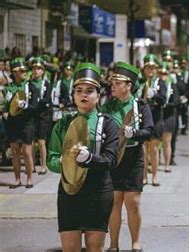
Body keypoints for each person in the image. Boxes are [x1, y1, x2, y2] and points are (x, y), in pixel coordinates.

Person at [47, 62, 119, 251]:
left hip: (98, 191)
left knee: (95, 248)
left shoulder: (108, 124)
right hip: (69, 192)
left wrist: (90, 159)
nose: (83, 95)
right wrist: (64, 162)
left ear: (98, 96)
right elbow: (51, 159)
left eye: (89, 91)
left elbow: (111, 161)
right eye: (78, 91)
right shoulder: (63, 124)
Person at [102, 62, 153, 251]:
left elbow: (149, 131)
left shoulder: (140, 105)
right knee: (114, 201)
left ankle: (135, 242)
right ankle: (113, 244)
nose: (112, 86)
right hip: (114, 157)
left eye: (117, 82)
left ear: (129, 85)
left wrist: (134, 133)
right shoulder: (107, 106)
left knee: (133, 202)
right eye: (112, 82)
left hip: (133, 156)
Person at [3, 57, 39, 188]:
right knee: (15, 152)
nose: (24, 72)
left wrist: (24, 106)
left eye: (25, 70)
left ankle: (29, 178)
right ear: (14, 72)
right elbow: (6, 106)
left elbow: (35, 107)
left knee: (27, 152)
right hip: (13, 123)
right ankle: (17, 179)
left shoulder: (31, 87)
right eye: (21, 70)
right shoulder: (8, 88)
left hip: (26, 122)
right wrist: (5, 113)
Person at [137, 54, 167, 186]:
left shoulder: (160, 83)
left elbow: (163, 100)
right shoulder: (139, 83)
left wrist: (155, 94)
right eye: (148, 68)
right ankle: (143, 177)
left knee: (153, 149)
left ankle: (154, 176)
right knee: (143, 149)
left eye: (153, 68)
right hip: (142, 118)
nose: (150, 71)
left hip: (155, 117)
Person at [29, 57, 53, 175]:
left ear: (43, 71)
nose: (36, 71)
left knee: (41, 141)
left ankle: (43, 165)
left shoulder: (46, 84)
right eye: (34, 68)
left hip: (43, 115)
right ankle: (32, 165)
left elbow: (47, 98)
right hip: (31, 115)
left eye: (39, 68)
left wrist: (37, 100)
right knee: (31, 142)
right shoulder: (28, 83)